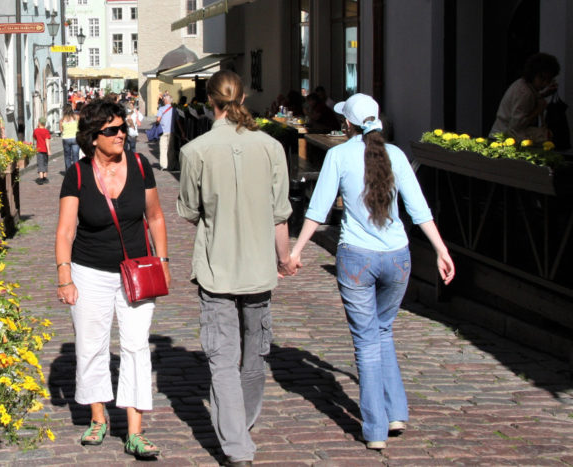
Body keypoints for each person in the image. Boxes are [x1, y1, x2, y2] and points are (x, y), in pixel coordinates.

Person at [286, 93, 455, 451]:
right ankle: (396, 412)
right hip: (397, 258)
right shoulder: (396, 156)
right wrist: (441, 249)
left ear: (346, 124)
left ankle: (375, 427)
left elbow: (318, 209)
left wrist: (296, 250)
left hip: (357, 258)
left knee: (366, 340)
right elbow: (419, 209)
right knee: (382, 330)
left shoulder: (338, 155)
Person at [176, 71, 293, 467]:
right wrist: (284, 258)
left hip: (218, 266)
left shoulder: (195, 151)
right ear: (243, 98)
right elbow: (280, 215)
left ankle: (237, 443)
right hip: (259, 267)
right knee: (254, 355)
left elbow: (189, 210)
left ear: (210, 101)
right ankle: (240, 430)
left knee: (223, 359)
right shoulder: (271, 147)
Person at [55, 99, 170, 458]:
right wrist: (64, 276)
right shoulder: (77, 175)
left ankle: (135, 430)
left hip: (137, 271)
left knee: (136, 346)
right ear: (93, 137)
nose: (121, 134)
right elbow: (65, 231)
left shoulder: (140, 165)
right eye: (112, 130)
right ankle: (97, 417)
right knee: (91, 345)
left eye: (123, 128)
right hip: (89, 271)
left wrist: (163, 260)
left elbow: (155, 217)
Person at [491, 52, 560, 143]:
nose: (545, 83)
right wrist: (537, 110)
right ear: (533, 74)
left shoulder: (523, 85)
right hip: (504, 140)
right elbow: (516, 125)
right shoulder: (525, 92)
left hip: (500, 136)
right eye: (542, 78)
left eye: (549, 80)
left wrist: (542, 95)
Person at [155, 93, 175, 170]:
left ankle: (164, 165)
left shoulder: (161, 109)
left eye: (163, 100)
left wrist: (156, 124)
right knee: (171, 149)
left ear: (166, 100)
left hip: (163, 131)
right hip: (171, 131)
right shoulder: (174, 110)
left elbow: (158, 119)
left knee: (163, 148)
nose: (163, 101)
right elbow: (178, 121)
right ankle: (171, 165)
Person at [60, 105, 80, 172]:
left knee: (67, 156)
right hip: (75, 138)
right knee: (75, 156)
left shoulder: (62, 120)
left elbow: (61, 130)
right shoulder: (76, 117)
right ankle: (76, 171)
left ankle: (69, 172)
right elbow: (79, 127)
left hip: (66, 138)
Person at [33, 117, 52, 183]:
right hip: (45, 150)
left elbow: (34, 137)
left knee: (40, 163)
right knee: (45, 163)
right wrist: (49, 150)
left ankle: (40, 178)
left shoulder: (36, 130)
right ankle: (45, 177)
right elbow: (47, 141)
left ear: (39, 123)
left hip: (39, 150)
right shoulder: (46, 131)